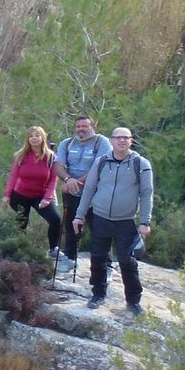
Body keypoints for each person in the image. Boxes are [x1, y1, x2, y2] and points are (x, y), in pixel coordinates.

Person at [74, 126, 154, 315]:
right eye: (118, 137)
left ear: (131, 141)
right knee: (98, 258)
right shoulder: (101, 162)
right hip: (100, 218)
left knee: (127, 262)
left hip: (125, 221)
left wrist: (145, 221)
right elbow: (89, 189)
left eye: (126, 138)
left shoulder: (140, 164)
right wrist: (79, 215)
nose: (122, 141)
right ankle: (98, 294)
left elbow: (147, 193)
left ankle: (133, 301)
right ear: (111, 140)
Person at [4, 126, 64, 265]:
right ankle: (21, 251)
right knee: (21, 223)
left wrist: (47, 198)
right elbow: (13, 176)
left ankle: (53, 248)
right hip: (20, 194)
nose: (34, 138)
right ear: (28, 139)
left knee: (55, 220)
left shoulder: (50, 157)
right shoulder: (21, 156)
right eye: (31, 136)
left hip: (40, 195)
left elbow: (52, 180)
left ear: (42, 137)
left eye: (37, 135)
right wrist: (7, 194)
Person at [55, 116, 105, 268]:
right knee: (71, 225)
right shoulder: (67, 143)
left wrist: (78, 182)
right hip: (72, 192)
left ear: (93, 127)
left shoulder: (101, 142)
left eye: (85, 126)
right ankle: (70, 258)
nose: (81, 129)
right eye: (78, 126)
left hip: (94, 194)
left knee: (97, 228)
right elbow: (58, 165)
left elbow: (99, 166)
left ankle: (105, 264)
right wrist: (68, 179)